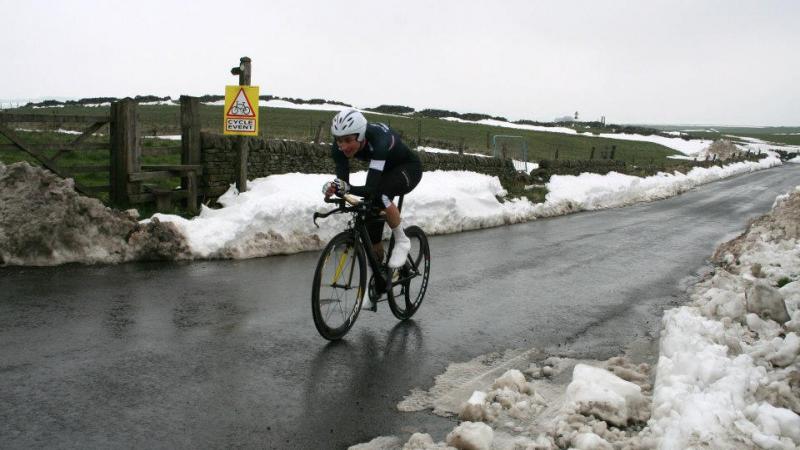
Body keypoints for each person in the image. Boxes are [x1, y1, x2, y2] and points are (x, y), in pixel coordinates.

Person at [323, 108, 422, 269]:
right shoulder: (339, 149)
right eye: (339, 140)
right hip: (384, 171)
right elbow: (344, 185)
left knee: (381, 195)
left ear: (361, 135)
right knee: (371, 227)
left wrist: (347, 188)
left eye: (348, 140)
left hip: (408, 168)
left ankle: (402, 240)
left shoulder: (379, 141)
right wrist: (335, 188)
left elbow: (369, 189)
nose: (343, 146)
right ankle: (378, 275)